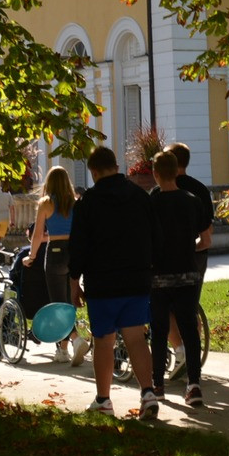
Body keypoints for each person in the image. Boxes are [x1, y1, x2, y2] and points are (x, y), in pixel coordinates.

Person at [65, 146, 162, 421]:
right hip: (136, 279)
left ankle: (104, 399)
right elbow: (156, 236)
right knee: (136, 337)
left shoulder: (88, 203)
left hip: (102, 282)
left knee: (104, 341)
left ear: (94, 171)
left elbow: (78, 246)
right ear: (116, 166)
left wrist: (75, 282)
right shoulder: (139, 197)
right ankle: (147, 393)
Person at [147, 150, 214, 407]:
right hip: (187, 273)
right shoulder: (192, 200)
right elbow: (205, 240)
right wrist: (188, 247)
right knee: (189, 330)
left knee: (160, 330)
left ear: (155, 173)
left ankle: (158, 386)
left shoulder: (151, 203)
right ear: (177, 171)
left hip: (158, 276)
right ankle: (194, 385)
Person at [162, 142, 216, 373]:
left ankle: (180, 349)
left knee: (166, 306)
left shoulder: (162, 191)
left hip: (170, 257)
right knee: (191, 304)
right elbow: (207, 235)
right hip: (198, 255)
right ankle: (193, 353)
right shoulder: (200, 190)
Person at [29, 165, 89, 365]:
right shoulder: (76, 202)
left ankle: (76, 339)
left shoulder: (45, 203)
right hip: (74, 251)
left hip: (54, 251)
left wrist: (31, 255)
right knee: (68, 301)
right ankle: (63, 350)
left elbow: (38, 235)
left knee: (57, 303)